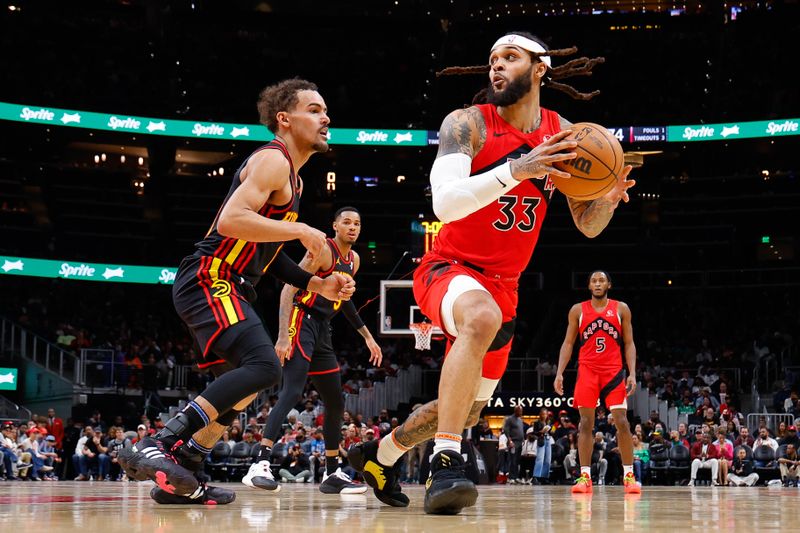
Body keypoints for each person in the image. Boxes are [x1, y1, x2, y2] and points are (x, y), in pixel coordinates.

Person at [348, 31, 633, 515]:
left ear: (540, 68)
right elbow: (445, 202)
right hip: (449, 268)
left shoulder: (564, 132)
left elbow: (587, 226)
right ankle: (445, 462)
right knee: (479, 319)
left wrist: (603, 200)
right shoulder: (466, 125)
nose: (496, 66)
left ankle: (382, 456)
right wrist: (516, 170)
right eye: (492, 59)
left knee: (468, 409)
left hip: (506, 288)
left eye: (510, 57)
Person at [118, 78, 354, 505]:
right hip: (212, 275)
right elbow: (230, 220)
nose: (326, 117)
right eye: (315, 109)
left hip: (232, 283)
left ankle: (184, 472)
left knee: (239, 388)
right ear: (284, 119)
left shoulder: (294, 181)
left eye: (325, 110)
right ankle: (158, 443)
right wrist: (300, 229)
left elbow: (271, 255)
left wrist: (316, 282)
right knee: (266, 368)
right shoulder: (273, 160)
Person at [242, 207, 378, 495]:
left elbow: (346, 301)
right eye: (347, 222)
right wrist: (282, 336)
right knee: (292, 392)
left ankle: (331, 474)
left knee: (335, 401)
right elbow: (288, 290)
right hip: (300, 320)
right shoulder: (323, 250)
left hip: (322, 329)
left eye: (357, 223)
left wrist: (367, 336)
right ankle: (260, 462)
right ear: (335, 226)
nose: (352, 227)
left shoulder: (353, 260)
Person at [554, 271, 640, 494]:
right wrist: (559, 372)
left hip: (613, 371)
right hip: (588, 371)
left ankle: (629, 476)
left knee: (621, 421)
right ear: (589, 286)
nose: (598, 283)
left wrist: (632, 373)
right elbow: (568, 343)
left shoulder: (621, 308)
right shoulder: (577, 310)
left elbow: (629, 343)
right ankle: (585, 477)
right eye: (594, 280)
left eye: (602, 280)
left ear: (609, 284)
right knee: (585, 423)